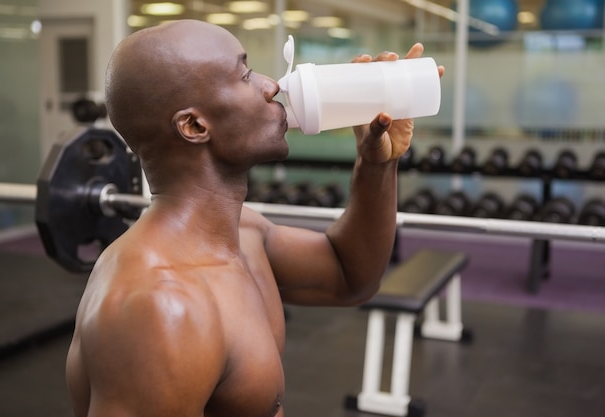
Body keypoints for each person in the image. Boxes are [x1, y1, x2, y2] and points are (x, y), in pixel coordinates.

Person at [65, 19, 444, 417]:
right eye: (245, 74)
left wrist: (377, 164)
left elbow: (351, 276)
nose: (271, 85)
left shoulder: (243, 231)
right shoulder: (160, 307)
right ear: (195, 125)